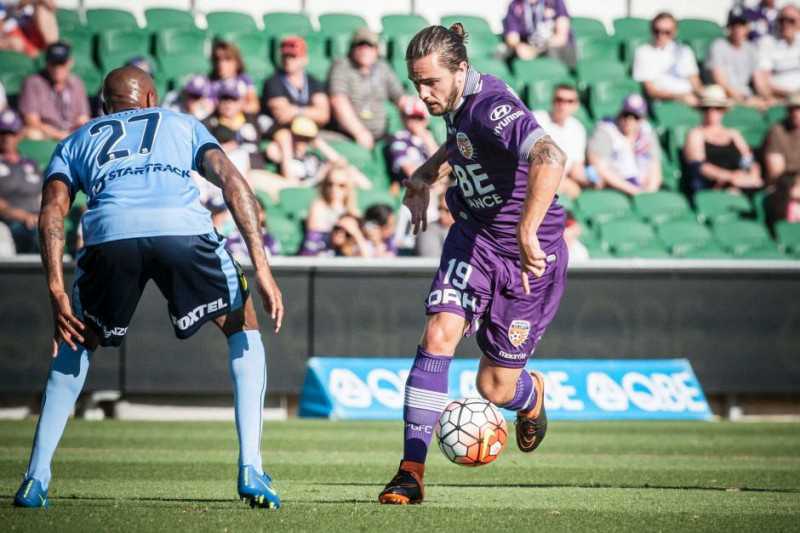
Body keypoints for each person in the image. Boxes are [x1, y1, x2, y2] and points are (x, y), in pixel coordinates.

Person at [13, 66, 284, 509]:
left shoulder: (76, 140)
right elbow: (234, 184)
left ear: (104, 106)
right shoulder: (181, 124)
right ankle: (251, 466)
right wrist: (262, 267)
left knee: (76, 340)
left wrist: (56, 292)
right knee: (242, 325)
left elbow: (51, 212)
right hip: (183, 232)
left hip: (109, 236)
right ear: (152, 98)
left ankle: (35, 478)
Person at [378, 24, 567, 505]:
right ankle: (410, 472)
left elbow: (551, 154)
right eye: (416, 83)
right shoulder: (461, 105)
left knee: (495, 387)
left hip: (527, 257)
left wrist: (527, 230)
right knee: (438, 332)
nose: (422, 95)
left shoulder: (493, 107)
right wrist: (425, 175)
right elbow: (462, 144)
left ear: (461, 70)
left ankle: (530, 395)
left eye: (430, 83)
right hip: (474, 239)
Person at [329, 27, 408, 149]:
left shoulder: (383, 67)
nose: (364, 50)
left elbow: (400, 97)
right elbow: (338, 101)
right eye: (360, 45)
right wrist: (359, 132)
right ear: (352, 48)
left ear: (376, 50)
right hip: (348, 135)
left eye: (369, 45)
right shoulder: (342, 66)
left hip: (381, 136)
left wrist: (413, 110)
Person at [684, 85, 763, 192]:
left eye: (717, 108)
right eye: (706, 108)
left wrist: (753, 176)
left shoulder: (733, 134)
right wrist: (730, 177)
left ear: (724, 110)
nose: (712, 112)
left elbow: (749, 160)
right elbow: (699, 166)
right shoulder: (695, 134)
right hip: (712, 187)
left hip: (740, 183)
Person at [587, 94, 662, 196]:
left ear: (642, 119)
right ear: (620, 113)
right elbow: (598, 166)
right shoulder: (606, 129)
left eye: (635, 117)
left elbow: (655, 164)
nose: (629, 120)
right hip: (616, 188)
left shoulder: (647, 131)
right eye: (626, 114)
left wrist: (650, 192)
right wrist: (634, 191)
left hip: (643, 185)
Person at [19, 41, 90, 140]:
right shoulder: (33, 82)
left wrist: (73, 132)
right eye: (53, 64)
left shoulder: (77, 83)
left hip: (72, 131)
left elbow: (83, 118)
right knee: (33, 134)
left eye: (61, 63)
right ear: (47, 63)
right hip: (47, 132)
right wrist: (58, 134)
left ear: (70, 63)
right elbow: (31, 120)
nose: (57, 68)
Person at [633, 12, 703, 106]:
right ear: (651, 30)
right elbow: (651, 91)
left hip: (691, 99)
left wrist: (707, 96)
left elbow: (695, 82)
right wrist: (680, 96)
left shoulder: (684, 50)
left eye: (667, 32)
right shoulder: (643, 52)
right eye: (656, 31)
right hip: (665, 103)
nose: (661, 36)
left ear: (675, 32)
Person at [262, 36, 330, 131]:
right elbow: (282, 116)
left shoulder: (314, 82)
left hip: (308, 131)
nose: (288, 60)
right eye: (285, 56)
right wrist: (311, 113)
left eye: (293, 56)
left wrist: (296, 111)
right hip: (281, 131)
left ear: (304, 59)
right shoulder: (273, 81)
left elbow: (323, 115)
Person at [533, 84, 589, 198]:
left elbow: (576, 168)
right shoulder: (537, 119)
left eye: (569, 101)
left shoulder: (578, 128)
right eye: (559, 99)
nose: (563, 105)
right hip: (536, 175)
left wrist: (591, 182)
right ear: (552, 101)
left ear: (576, 105)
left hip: (561, 180)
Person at [0, 108, 41, 253]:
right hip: (9, 221)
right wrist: (24, 217)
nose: (6, 138)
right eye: (2, 133)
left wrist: (43, 216)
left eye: (11, 133)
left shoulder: (30, 163)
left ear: (19, 135)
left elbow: (43, 195)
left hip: (36, 219)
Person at [707, 10, 768, 109]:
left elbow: (759, 81)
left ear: (747, 27)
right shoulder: (718, 46)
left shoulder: (751, 49)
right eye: (734, 25)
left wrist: (767, 98)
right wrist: (742, 100)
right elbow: (720, 80)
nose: (737, 29)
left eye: (741, 25)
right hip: (724, 96)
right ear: (728, 27)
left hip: (746, 95)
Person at [300, 166, 360, 255]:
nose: (334, 189)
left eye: (341, 185)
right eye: (330, 184)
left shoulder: (353, 211)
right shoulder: (318, 206)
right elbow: (313, 240)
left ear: (348, 188)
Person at [386, 98, 439, 196]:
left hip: (433, 188)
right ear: (404, 118)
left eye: (419, 118)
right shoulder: (399, 139)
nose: (415, 122)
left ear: (426, 120)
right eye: (412, 117)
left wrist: (429, 142)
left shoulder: (429, 137)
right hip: (411, 192)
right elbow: (411, 171)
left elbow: (441, 164)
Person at [502, 0, 576, 66]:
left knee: (552, 52)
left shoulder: (555, 2)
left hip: (555, 50)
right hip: (530, 47)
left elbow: (561, 38)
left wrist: (535, 51)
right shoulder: (515, 5)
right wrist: (518, 47)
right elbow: (512, 37)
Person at [754, 5, 800, 101]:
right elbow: (762, 80)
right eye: (782, 20)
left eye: (791, 20)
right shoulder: (767, 43)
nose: (785, 24)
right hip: (779, 100)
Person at [209, 40, 259, 114]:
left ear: (237, 61)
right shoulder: (209, 81)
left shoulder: (245, 80)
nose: (221, 64)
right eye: (217, 59)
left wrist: (235, 106)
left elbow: (254, 106)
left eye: (227, 59)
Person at [764, 92, 800, 183]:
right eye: (793, 108)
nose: (796, 113)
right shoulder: (778, 131)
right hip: (788, 184)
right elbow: (776, 173)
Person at [414, 191, 454, 257]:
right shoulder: (428, 231)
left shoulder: (466, 231)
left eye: (447, 210)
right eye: (440, 208)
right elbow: (431, 264)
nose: (441, 215)